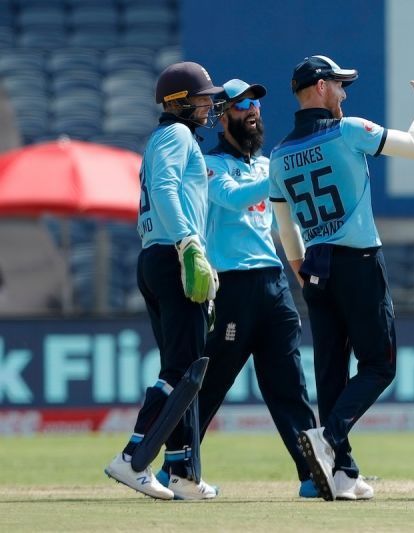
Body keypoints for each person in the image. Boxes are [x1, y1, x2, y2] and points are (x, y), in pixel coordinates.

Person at [268, 55, 414, 501]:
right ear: (322, 87)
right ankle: (329, 437)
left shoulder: (279, 154)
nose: (345, 94)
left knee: (331, 372)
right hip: (358, 261)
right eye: (340, 86)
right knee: (380, 365)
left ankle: (341, 472)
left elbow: (284, 229)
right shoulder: (347, 131)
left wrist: (302, 271)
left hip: (315, 266)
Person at [153, 79, 319, 498]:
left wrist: (302, 270)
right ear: (223, 114)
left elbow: (287, 224)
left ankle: (314, 475)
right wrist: (280, 176)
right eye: (243, 105)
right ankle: (177, 469)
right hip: (230, 287)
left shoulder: (265, 166)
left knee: (290, 385)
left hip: (273, 285)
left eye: (257, 104)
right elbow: (234, 197)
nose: (254, 111)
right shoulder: (208, 164)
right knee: (208, 385)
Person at [104, 61, 224, 500]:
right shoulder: (175, 135)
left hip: (159, 255)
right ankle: (134, 457)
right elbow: (168, 188)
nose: (209, 104)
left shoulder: (169, 137)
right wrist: (190, 244)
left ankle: (183, 473)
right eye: (202, 97)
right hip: (172, 256)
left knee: (184, 365)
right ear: (179, 102)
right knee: (184, 368)